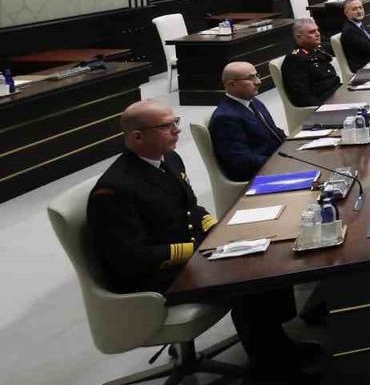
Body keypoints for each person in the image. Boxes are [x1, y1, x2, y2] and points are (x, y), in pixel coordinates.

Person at [87, 101, 318, 381]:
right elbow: (131, 258)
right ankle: (273, 370)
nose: (176, 130)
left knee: (268, 250)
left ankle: (278, 345)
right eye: (166, 126)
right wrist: (198, 249)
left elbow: (191, 207)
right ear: (137, 136)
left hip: (188, 255)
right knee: (251, 278)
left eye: (175, 122)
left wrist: (216, 228)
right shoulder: (115, 189)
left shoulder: (169, 159)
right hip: (155, 276)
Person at [209, 62, 286, 181]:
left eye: (257, 76)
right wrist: (280, 161)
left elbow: (274, 132)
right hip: (257, 174)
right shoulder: (225, 118)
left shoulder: (254, 102)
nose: (258, 82)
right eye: (250, 78)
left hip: (276, 159)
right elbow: (241, 161)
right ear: (231, 84)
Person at [281, 18, 341, 106]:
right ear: (299, 37)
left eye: (317, 30)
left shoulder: (318, 49)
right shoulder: (295, 60)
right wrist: (324, 108)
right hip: (324, 101)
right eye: (312, 32)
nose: (317, 34)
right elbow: (302, 97)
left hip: (337, 92)